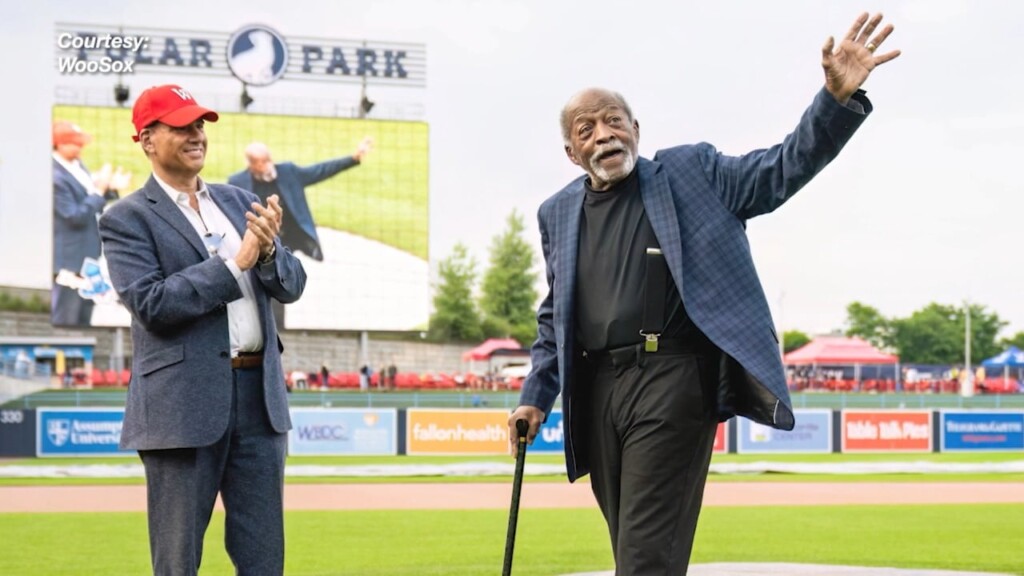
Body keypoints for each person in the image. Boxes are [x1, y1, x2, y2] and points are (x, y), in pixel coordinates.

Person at [508, 13, 900, 575]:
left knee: (644, 555)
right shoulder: (557, 212)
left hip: (672, 382)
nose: (604, 134)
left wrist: (833, 101)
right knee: (637, 549)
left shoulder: (692, 173)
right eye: (586, 129)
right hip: (597, 392)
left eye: (613, 121)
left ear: (636, 128)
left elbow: (779, 170)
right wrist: (533, 397)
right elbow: (555, 321)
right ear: (571, 151)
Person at [97, 83, 306, 575]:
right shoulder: (125, 218)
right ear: (147, 139)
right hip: (181, 407)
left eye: (200, 124)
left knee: (263, 558)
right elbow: (153, 304)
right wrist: (238, 263)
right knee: (178, 561)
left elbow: (292, 286)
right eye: (180, 125)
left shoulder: (237, 201)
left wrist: (272, 252)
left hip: (260, 400)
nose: (196, 134)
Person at [227, 137, 374, 262]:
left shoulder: (288, 171)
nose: (266, 166)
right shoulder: (237, 182)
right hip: (262, 239)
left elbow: (320, 170)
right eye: (260, 162)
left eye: (267, 160)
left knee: (288, 275)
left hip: (292, 235)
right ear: (251, 164)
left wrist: (353, 158)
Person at [51, 120, 131, 326]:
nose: (80, 147)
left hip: (86, 257)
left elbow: (88, 196)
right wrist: (100, 190)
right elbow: (74, 216)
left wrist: (110, 188)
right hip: (69, 262)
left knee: (83, 315)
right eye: (75, 143)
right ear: (59, 144)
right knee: (67, 318)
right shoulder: (55, 177)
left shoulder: (76, 165)